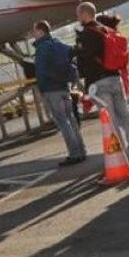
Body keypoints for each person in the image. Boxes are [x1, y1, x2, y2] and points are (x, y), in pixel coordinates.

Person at [74, 2, 129, 161]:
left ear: (84, 14)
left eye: (78, 14)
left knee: (110, 121)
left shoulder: (87, 34)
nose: (77, 18)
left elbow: (85, 62)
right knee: (125, 116)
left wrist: (87, 87)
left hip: (99, 82)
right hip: (115, 77)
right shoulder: (107, 30)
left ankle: (120, 156)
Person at [31, 20, 86, 165]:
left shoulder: (42, 48)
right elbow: (72, 54)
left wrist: (42, 90)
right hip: (64, 87)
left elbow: (41, 71)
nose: (33, 34)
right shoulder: (59, 44)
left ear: (41, 31)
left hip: (51, 89)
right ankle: (81, 151)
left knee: (63, 123)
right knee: (72, 120)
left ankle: (74, 154)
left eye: (34, 31)